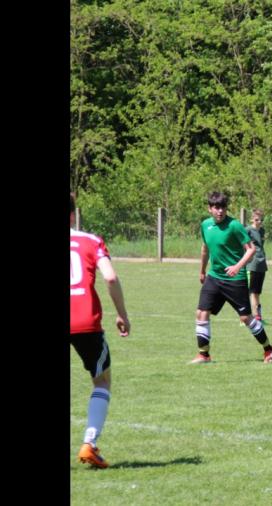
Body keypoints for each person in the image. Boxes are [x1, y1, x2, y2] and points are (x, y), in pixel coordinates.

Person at [70, 193, 131, 469]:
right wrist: (122, 314)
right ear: (73, 214)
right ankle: (89, 443)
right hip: (84, 321)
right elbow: (111, 277)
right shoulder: (91, 241)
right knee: (102, 381)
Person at [192, 192, 272, 364]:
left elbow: (251, 249)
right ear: (209, 209)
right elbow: (205, 248)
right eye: (216, 207)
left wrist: (237, 267)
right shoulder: (205, 225)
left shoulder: (234, 226)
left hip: (235, 279)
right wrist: (202, 270)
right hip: (214, 277)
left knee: (246, 318)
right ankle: (204, 355)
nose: (220, 211)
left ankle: (269, 349)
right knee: (201, 313)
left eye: (223, 207)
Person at [245, 209, 267, 321]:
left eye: (261, 220)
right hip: (252, 263)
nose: (259, 222)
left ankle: (258, 316)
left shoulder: (262, 230)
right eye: (257, 220)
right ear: (252, 219)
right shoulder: (248, 230)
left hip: (262, 263)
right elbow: (242, 244)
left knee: (258, 292)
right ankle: (253, 316)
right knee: (252, 291)